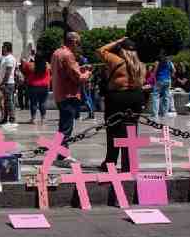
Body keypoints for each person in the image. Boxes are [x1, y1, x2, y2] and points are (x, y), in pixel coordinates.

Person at [97, 36, 147, 169]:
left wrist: (118, 41)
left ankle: (110, 162)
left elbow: (100, 51)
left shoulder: (116, 60)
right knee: (131, 130)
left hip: (117, 97)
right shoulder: (140, 64)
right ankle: (129, 163)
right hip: (136, 97)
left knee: (113, 129)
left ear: (122, 50)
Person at [50, 32, 91, 150]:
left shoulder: (56, 53)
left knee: (62, 126)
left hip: (59, 93)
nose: (78, 46)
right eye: (78, 43)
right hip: (69, 94)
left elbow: (64, 71)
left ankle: (57, 153)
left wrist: (80, 68)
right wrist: (87, 73)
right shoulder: (68, 55)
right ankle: (62, 156)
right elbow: (78, 78)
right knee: (66, 127)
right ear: (73, 42)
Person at [24, 49, 51, 125]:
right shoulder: (47, 65)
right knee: (43, 102)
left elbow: (25, 70)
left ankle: (33, 119)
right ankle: (43, 119)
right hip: (44, 86)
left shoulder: (30, 65)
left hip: (33, 86)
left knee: (33, 103)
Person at [0, 42, 18, 127]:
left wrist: (3, 83)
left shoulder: (10, 58)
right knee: (5, 102)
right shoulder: (5, 58)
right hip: (6, 83)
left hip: (8, 83)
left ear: (7, 48)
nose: (2, 48)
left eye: (3, 47)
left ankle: (12, 118)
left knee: (9, 101)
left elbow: (8, 72)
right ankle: (5, 118)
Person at [150, 51, 175, 118]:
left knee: (156, 96)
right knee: (166, 97)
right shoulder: (169, 62)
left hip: (160, 80)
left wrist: (152, 79)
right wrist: (170, 76)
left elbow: (154, 71)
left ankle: (155, 114)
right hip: (168, 80)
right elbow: (174, 71)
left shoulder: (158, 62)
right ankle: (164, 113)